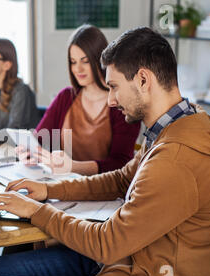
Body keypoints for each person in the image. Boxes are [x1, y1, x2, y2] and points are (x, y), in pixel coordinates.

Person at [0, 27, 210, 276]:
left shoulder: (176, 158)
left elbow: (107, 244)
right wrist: (50, 191)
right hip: (130, 254)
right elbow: (121, 179)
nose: (111, 99)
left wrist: (37, 211)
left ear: (143, 80)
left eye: (114, 86)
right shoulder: (176, 125)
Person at [24, 25, 140, 175]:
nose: (77, 69)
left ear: (100, 59)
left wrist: (72, 166)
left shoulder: (121, 103)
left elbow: (121, 164)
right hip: (61, 183)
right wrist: (28, 152)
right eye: (73, 62)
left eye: (85, 61)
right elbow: (39, 140)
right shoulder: (66, 97)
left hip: (102, 189)